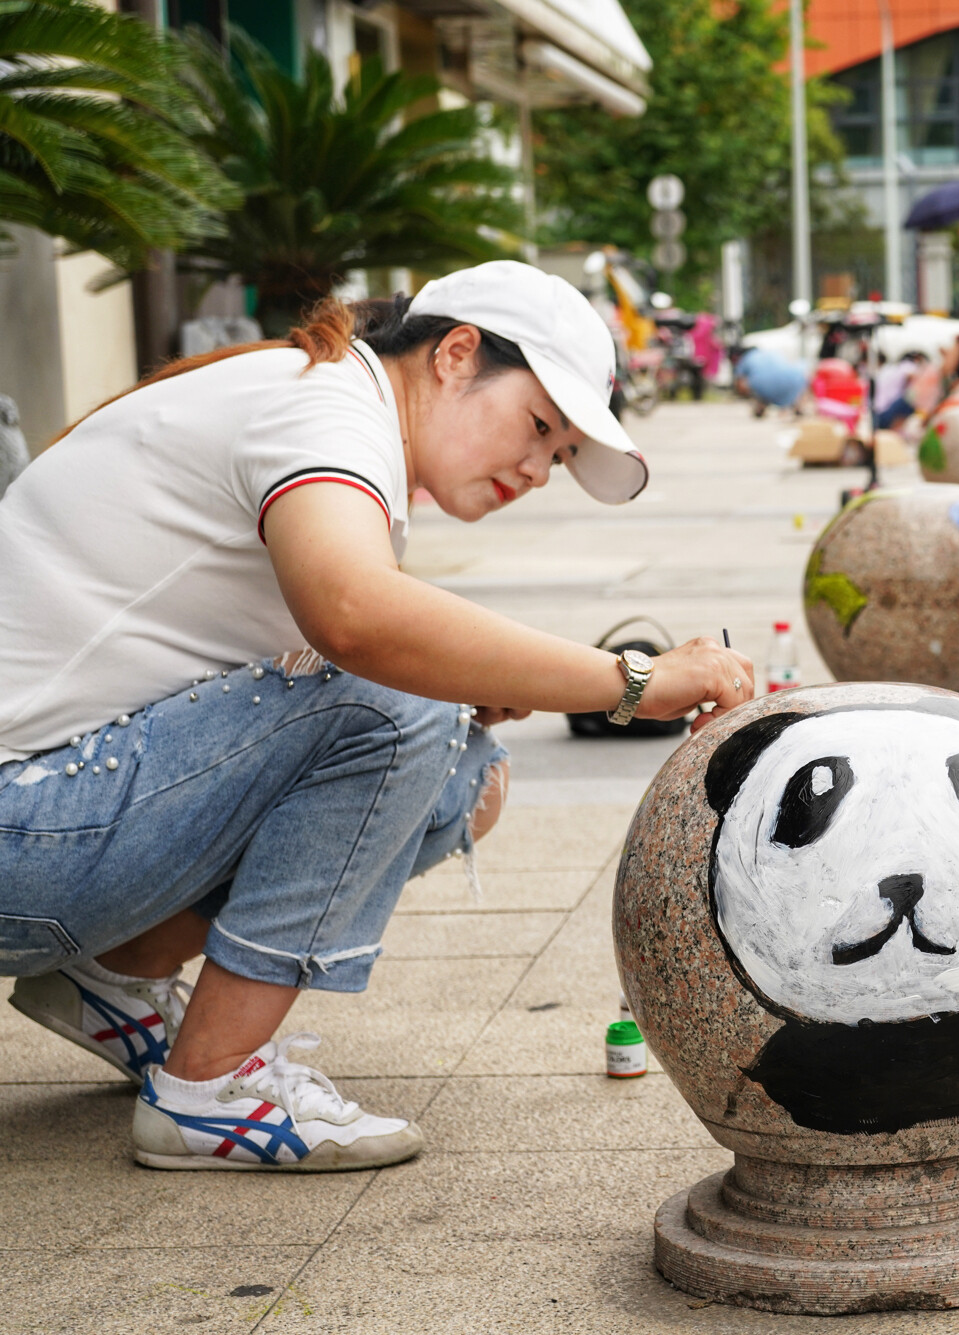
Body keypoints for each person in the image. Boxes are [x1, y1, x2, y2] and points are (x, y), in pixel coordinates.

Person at [0, 261, 756, 1172]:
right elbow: (356, 618)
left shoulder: (321, 399)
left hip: (45, 827)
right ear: (456, 354)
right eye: (539, 425)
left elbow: (328, 638)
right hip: (22, 830)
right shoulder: (322, 408)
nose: (537, 468)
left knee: (459, 777)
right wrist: (631, 680)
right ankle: (211, 1087)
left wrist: (477, 680)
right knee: (400, 704)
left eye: (557, 453)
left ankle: (110, 981)